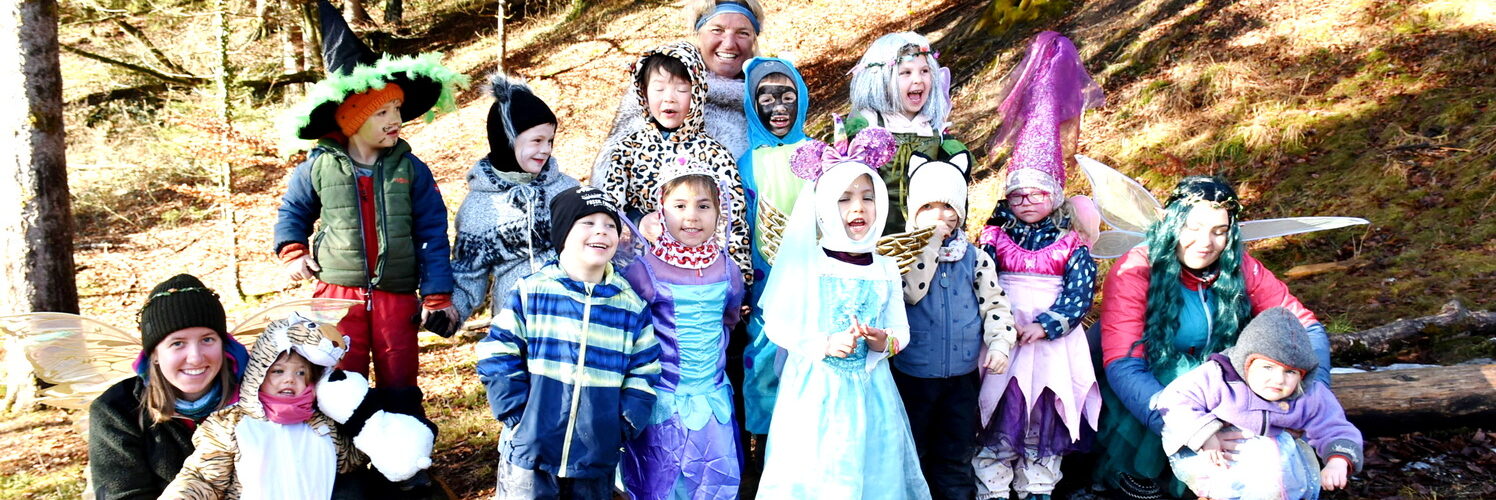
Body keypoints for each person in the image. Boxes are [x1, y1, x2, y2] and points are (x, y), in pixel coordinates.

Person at [1095, 176, 1334, 499]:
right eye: (1192, 227)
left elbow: (1304, 326)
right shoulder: (1137, 268)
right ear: (1172, 223)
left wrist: (1311, 395)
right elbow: (1123, 365)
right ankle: (1143, 469)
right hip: (1152, 385)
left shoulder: (1240, 266)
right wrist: (1192, 429)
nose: (1205, 242)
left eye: (1219, 231)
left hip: (1223, 381)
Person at [273, 0, 465, 387]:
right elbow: (293, 211)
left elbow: (432, 233)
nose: (396, 119)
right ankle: (346, 428)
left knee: (400, 376)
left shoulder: (411, 170)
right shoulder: (318, 167)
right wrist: (292, 250)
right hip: (336, 293)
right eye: (382, 112)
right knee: (341, 379)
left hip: (397, 292)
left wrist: (436, 295)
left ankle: (405, 424)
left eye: (397, 108)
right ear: (352, 119)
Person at [756, 126, 930, 499]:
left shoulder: (885, 267)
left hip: (872, 392)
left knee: (874, 476)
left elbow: (900, 329)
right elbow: (779, 323)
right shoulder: (809, 263)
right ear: (823, 205)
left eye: (868, 197)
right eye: (844, 199)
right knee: (821, 478)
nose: (858, 208)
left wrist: (884, 341)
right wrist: (823, 343)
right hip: (815, 393)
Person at [971, 31, 1104, 500]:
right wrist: (997, 325)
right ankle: (992, 485)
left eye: (1038, 193)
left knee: (1044, 408)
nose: (1027, 202)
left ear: (1056, 195)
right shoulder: (993, 237)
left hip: (1050, 345)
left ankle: (1038, 486)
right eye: (1018, 195)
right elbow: (980, 282)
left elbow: (1079, 293)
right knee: (997, 407)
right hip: (1000, 336)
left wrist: (1047, 324)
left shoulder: (1070, 244)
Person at [477, 186, 663, 499]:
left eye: (610, 225)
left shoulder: (629, 305)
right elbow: (498, 351)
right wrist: (515, 414)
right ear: (564, 232)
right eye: (588, 222)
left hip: (595, 454)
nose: (601, 231)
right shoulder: (533, 291)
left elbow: (644, 369)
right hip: (530, 450)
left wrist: (624, 424)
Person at [618, 162, 745, 499]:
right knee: (662, 481)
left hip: (712, 396)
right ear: (661, 211)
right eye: (679, 206)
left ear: (719, 212)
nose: (692, 217)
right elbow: (629, 332)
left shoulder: (727, 268)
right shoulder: (645, 270)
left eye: (704, 206)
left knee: (713, 479)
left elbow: (729, 317)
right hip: (662, 399)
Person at [896, 152, 1015, 500]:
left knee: (956, 450)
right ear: (912, 211)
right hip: (914, 374)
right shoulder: (901, 255)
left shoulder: (976, 258)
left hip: (961, 377)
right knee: (914, 448)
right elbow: (911, 292)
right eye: (928, 207)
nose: (940, 215)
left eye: (948, 206)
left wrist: (1000, 344)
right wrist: (929, 244)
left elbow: (995, 304)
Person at [1158, 307, 1363, 499]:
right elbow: (1175, 398)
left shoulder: (1308, 394)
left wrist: (1338, 460)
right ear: (1247, 363)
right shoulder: (1220, 378)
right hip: (1223, 463)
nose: (1278, 380)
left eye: (1290, 372)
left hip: (1282, 471)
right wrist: (1205, 435)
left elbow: (1333, 425)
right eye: (1267, 368)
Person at [595, 41, 751, 286]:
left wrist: (738, 284)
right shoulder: (628, 151)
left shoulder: (714, 153)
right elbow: (608, 213)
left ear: (697, 92)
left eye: (681, 89)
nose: (669, 98)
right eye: (659, 88)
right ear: (643, 93)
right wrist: (638, 224)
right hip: (641, 276)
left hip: (702, 279)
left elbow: (734, 223)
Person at [160, 312, 364, 499]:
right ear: (259, 372)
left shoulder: (322, 425)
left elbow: (351, 461)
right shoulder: (230, 425)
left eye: (301, 373)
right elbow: (203, 478)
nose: (289, 379)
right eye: (278, 371)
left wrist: (373, 430)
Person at [88, 274, 249, 500]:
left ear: (224, 345)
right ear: (154, 354)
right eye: (178, 343)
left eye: (207, 339)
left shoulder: (258, 397)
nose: (195, 357)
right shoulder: (116, 410)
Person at [451, 73, 580, 324]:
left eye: (550, 140)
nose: (546, 149)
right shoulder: (480, 207)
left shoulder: (567, 189)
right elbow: (468, 274)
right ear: (506, 140)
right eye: (537, 140)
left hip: (575, 317)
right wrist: (450, 313)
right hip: (516, 323)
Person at [593, 0, 766, 180]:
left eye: (742, 33)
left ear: (754, 40)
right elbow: (611, 172)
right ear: (698, 33)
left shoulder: (767, 98)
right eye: (717, 30)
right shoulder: (657, 90)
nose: (729, 44)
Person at [736, 55, 810, 442]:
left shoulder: (818, 155)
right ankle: (763, 446)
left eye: (788, 98)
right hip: (765, 286)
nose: (779, 108)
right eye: (766, 100)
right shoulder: (745, 164)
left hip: (813, 283)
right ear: (752, 106)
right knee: (764, 358)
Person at [845, 31, 966, 234]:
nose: (918, 80)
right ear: (882, 79)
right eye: (906, 73)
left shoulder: (933, 126)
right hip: (875, 232)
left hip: (924, 233)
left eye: (924, 71)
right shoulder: (868, 122)